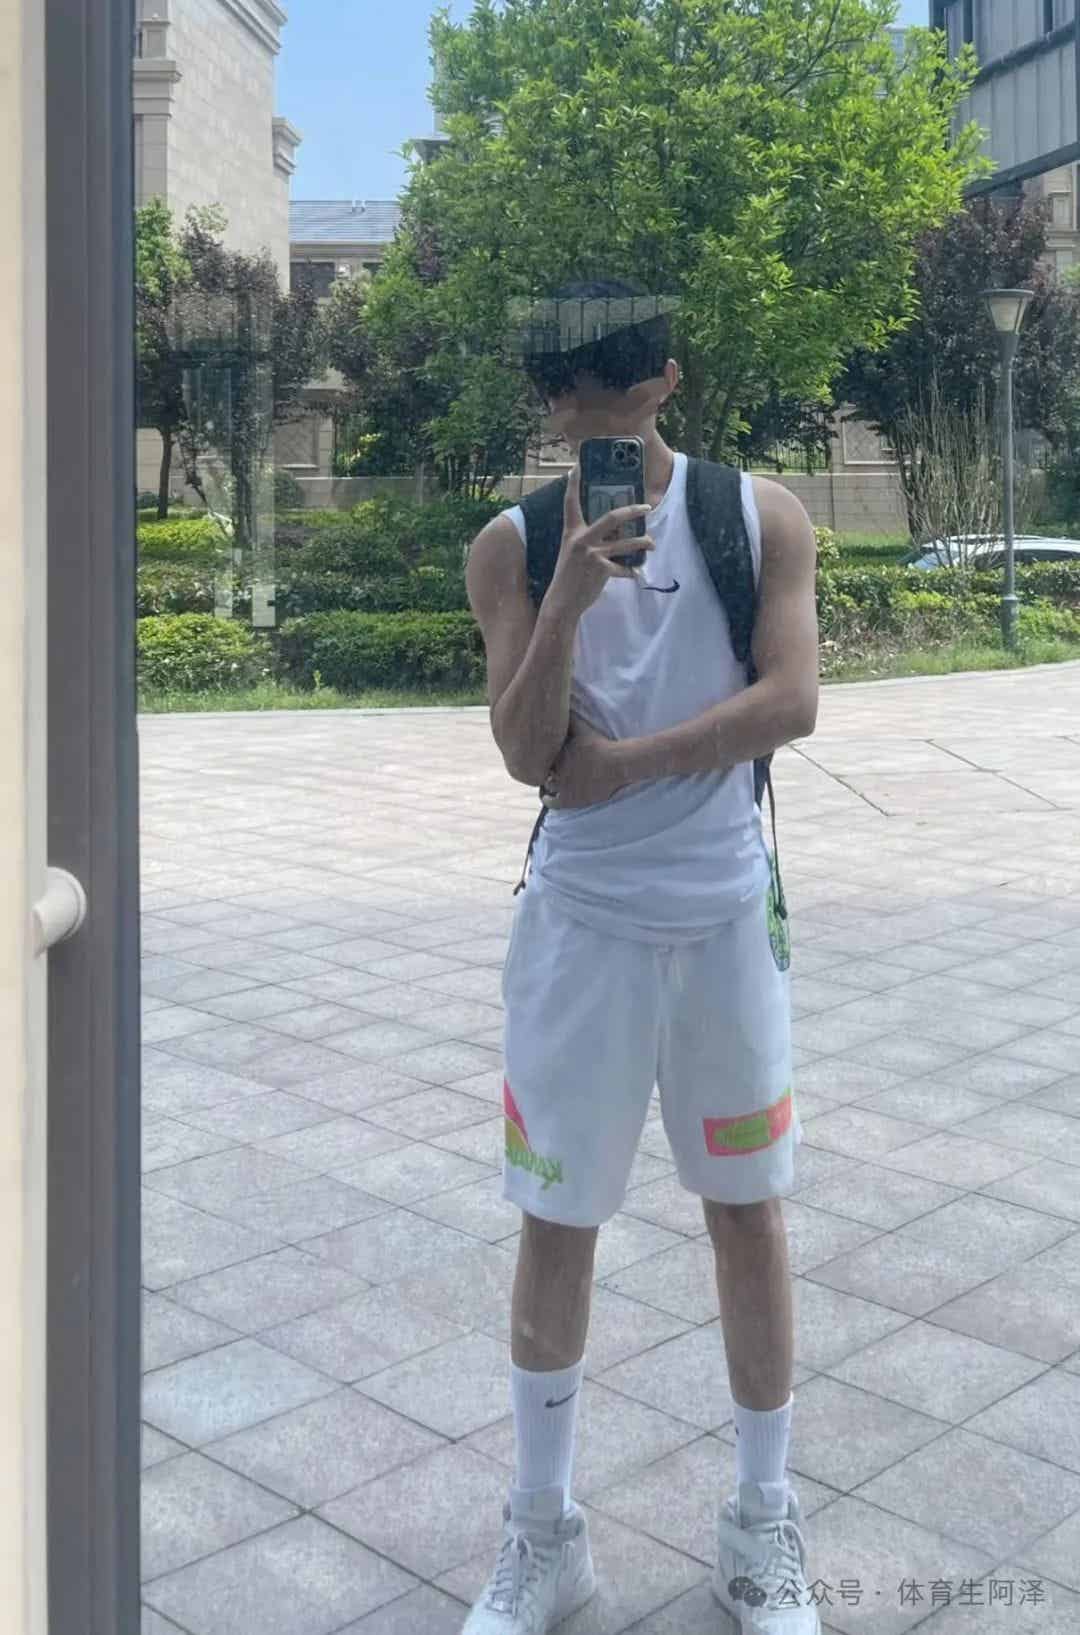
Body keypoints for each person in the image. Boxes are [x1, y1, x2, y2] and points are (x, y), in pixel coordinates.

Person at [462, 279, 821, 1635]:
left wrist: (630, 765)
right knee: (557, 1220)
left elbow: (793, 700)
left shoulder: (756, 517)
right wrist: (564, 599)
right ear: (550, 401)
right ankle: (543, 1536)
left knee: (749, 1211)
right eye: (572, 388)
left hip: (724, 917)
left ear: (666, 381)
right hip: (582, 930)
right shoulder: (509, 546)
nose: (598, 410)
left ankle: (761, 1523)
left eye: (622, 380)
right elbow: (525, 754)